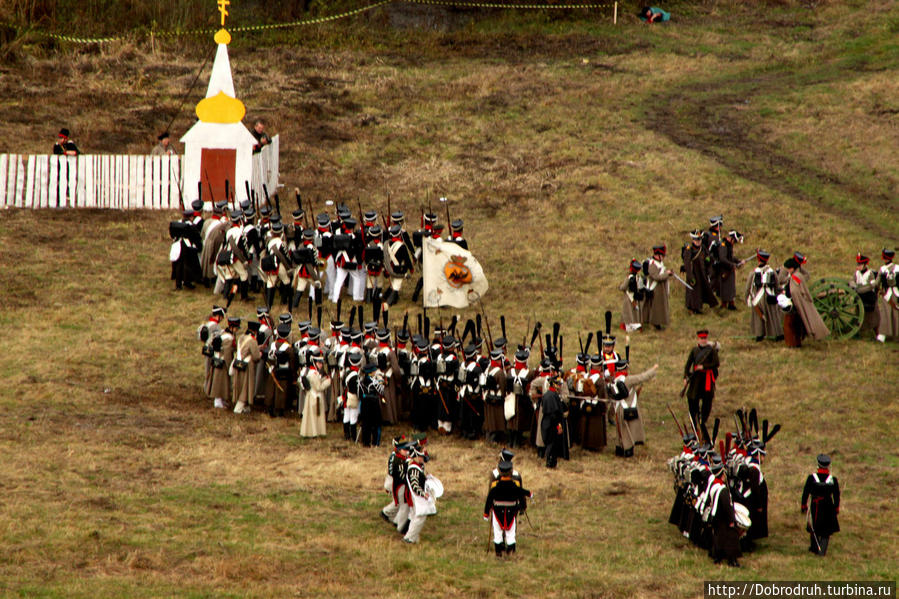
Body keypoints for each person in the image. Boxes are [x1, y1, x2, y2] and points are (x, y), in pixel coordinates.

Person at [484, 459, 532, 557]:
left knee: (497, 533)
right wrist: (523, 506)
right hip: (511, 512)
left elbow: (489, 500)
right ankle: (511, 553)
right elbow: (522, 494)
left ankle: (499, 552)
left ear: (500, 473)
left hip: (497, 511)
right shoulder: (515, 486)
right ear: (511, 472)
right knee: (510, 534)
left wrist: (486, 513)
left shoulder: (494, 486)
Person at [777, 258, 829, 347]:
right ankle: (796, 342)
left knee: (789, 325)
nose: (787, 270)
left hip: (795, 305)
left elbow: (794, 291)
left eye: (788, 268)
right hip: (798, 303)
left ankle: (792, 343)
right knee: (796, 325)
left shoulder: (795, 277)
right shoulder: (798, 275)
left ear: (792, 268)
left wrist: (786, 293)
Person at [801, 454, 840, 556]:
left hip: (816, 505)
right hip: (828, 506)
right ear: (828, 466)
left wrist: (803, 505)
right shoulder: (832, 480)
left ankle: (815, 548)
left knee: (814, 527)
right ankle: (822, 550)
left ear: (818, 465)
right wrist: (836, 507)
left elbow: (806, 492)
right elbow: (836, 495)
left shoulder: (811, 478)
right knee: (826, 530)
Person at [683, 330, 719, 434]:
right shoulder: (694, 350)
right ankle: (694, 420)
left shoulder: (711, 350)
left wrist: (703, 366)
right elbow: (688, 365)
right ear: (698, 339)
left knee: (707, 401)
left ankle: (703, 420)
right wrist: (685, 377)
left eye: (705, 338)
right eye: (701, 338)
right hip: (696, 380)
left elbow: (716, 363)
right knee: (692, 399)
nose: (703, 340)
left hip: (707, 379)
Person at [744, 250, 783, 341]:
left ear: (759, 259)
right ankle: (776, 334)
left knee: (758, 317)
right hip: (769, 297)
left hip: (758, 298)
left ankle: (759, 334)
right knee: (773, 315)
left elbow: (747, 288)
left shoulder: (753, 273)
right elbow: (777, 286)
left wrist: (747, 298)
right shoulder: (772, 272)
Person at [399, 444, 430, 544]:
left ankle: (411, 537)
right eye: (421, 456)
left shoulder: (415, 466)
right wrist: (423, 494)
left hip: (414, 495)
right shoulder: (414, 468)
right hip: (416, 496)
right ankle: (410, 538)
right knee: (419, 516)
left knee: (414, 516)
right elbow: (414, 485)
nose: (422, 458)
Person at [231, 320, 262, 414]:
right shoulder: (252, 340)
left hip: (238, 363)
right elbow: (256, 357)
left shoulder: (241, 337)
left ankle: (245, 407)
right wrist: (260, 353)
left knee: (240, 385)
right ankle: (239, 408)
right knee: (245, 387)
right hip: (247, 366)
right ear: (255, 331)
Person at [299, 351, 331, 437]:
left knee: (314, 416)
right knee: (314, 416)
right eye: (319, 363)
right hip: (314, 396)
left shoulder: (313, 372)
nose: (321, 365)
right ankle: (313, 432)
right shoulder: (313, 374)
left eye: (321, 363)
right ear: (315, 363)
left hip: (313, 396)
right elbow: (319, 387)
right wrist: (328, 381)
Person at [382, 436, 411, 525]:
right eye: (405, 449)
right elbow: (399, 474)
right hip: (394, 481)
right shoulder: (397, 459)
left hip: (393, 480)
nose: (407, 451)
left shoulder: (396, 455)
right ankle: (386, 513)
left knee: (401, 502)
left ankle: (395, 518)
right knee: (400, 503)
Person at [849, 253, 879, 337]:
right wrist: (853, 286)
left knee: (871, 316)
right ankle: (858, 331)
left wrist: (861, 290)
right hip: (859, 297)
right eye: (857, 264)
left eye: (859, 264)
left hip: (868, 296)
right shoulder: (856, 273)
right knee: (858, 314)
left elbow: (872, 285)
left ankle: (874, 332)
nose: (857, 266)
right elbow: (851, 281)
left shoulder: (870, 273)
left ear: (864, 265)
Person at [645, 244, 674, 330]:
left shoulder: (659, 263)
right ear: (658, 255)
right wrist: (667, 274)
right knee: (656, 308)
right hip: (655, 289)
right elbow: (656, 277)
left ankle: (659, 322)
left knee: (660, 307)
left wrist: (668, 273)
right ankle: (655, 323)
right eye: (662, 255)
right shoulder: (652, 264)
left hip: (661, 288)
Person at [540, 374, 566, 468]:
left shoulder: (552, 394)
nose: (559, 386)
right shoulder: (550, 396)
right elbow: (553, 414)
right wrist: (558, 425)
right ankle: (550, 462)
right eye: (558, 384)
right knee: (551, 444)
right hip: (551, 423)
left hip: (550, 422)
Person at [876, 248, 899, 342]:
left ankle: (883, 335)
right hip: (894, 293)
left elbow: (877, 282)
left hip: (889, 294)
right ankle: (893, 335)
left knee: (886, 313)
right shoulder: (897, 267)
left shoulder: (882, 269)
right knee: (895, 314)